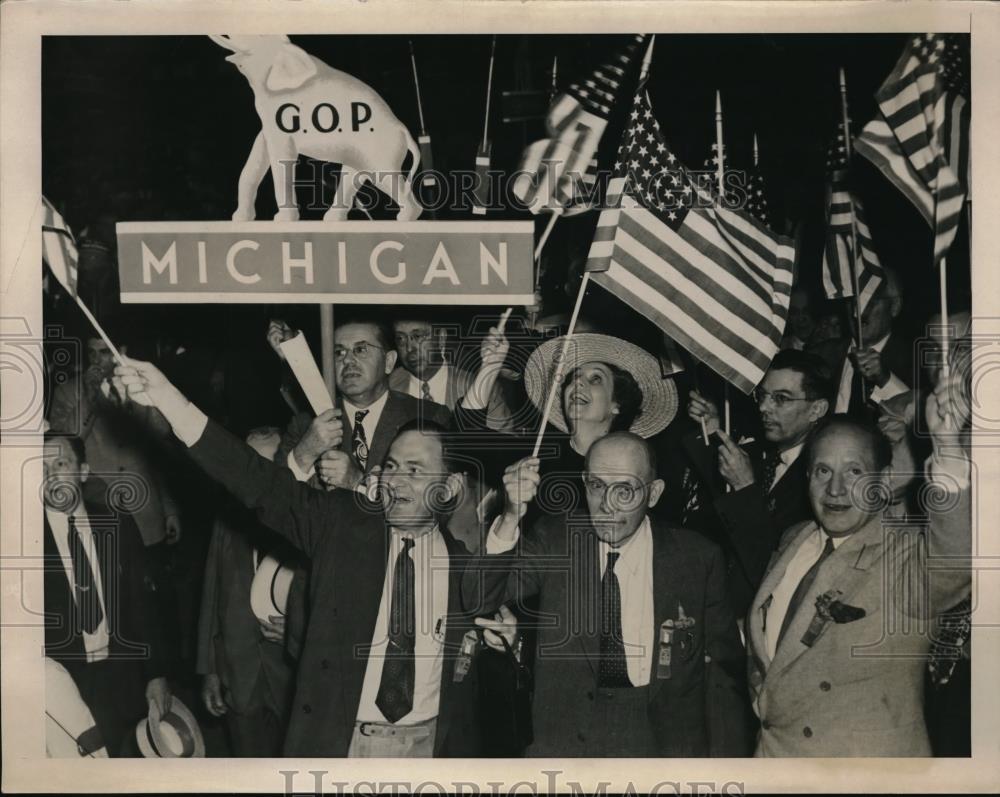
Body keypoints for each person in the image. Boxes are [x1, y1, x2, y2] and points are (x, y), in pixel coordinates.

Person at [111, 358, 512, 758]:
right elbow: (254, 480)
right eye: (390, 466)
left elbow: (483, 652)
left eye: (415, 469)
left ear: (451, 486)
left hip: (430, 749)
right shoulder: (340, 525)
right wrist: (168, 399)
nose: (395, 480)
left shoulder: (462, 565)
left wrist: (505, 640)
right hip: (341, 746)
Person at [467, 432, 753, 757]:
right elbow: (479, 598)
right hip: (563, 744)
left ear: (654, 493)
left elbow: (722, 681)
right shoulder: (555, 538)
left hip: (662, 747)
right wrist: (510, 514)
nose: (607, 504)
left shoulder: (697, 558)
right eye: (597, 486)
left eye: (625, 489)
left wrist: (728, 769)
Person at [746, 371, 971, 756]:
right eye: (823, 471)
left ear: (882, 482)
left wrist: (947, 448)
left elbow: (954, 563)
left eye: (854, 472)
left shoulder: (902, 553)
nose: (835, 490)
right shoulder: (794, 540)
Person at [458, 329, 679, 523]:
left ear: (617, 405)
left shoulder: (634, 470)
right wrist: (491, 365)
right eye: (573, 377)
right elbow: (463, 437)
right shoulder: (535, 457)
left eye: (596, 379)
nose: (577, 383)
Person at [42, 432, 171, 756]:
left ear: (83, 471)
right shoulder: (24, 537)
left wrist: (156, 674)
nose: (50, 475)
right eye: (40, 468)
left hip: (122, 676)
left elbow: (144, 605)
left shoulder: (115, 523)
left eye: (60, 463)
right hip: (64, 687)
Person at [683, 350, 832, 616]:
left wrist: (745, 489)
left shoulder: (821, 479)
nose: (764, 407)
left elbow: (774, 567)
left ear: (817, 409)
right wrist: (714, 428)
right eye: (762, 395)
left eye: (781, 399)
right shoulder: (765, 455)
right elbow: (719, 512)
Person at [196, 428, 303, 757]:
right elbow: (211, 596)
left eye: (266, 463)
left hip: (291, 679)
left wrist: (298, 632)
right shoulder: (227, 521)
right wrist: (210, 672)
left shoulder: (306, 524)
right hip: (239, 677)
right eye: (249, 461)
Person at [267, 314, 452, 490]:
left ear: (388, 361)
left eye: (360, 350)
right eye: (338, 352)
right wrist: (305, 453)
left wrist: (358, 483)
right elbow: (275, 499)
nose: (347, 360)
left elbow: (432, 500)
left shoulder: (428, 418)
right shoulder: (307, 425)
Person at [48, 333, 182, 547]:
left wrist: (169, 509)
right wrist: (88, 401)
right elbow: (67, 444)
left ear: (121, 352)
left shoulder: (139, 386)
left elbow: (158, 447)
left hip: (147, 517)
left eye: (103, 352)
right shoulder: (67, 393)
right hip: (100, 517)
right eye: (91, 352)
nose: (95, 359)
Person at [389, 309, 514, 431]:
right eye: (400, 339)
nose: (409, 348)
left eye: (418, 336)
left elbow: (502, 446)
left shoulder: (481, 388)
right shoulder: (386, 387)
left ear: (441, 338)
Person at [832, 268, 912, 416]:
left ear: (894, 306)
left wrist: (885, 380)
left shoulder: (916, 361)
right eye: (852, 301)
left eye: (869, 301)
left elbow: (917, 418)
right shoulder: (822, 354)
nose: (858, 311)